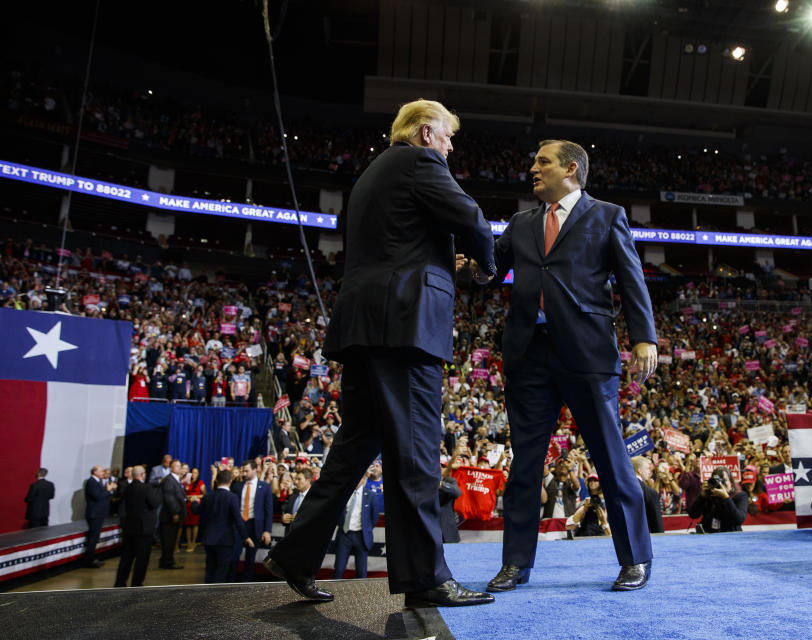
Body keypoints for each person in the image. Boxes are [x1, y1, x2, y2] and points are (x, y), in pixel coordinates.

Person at [264, 99, 496, 608]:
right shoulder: (419, 161)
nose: (452, 147)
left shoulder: (374, 173)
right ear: (426, 131)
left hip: (367, 327)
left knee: (351, 452)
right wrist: (485, 266)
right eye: (449, 137)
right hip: (403, 331)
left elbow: (397, 251)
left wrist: (448, 267)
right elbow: (474, 219)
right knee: (414, 455)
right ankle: (425, 578)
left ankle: (295, 555)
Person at [483, 139, 658, 593]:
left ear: (571, 169)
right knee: (525, 465)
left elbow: (631, 278)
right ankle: (515, 564)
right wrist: (462, 255)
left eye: (543, 161)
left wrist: (644, 338)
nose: (532, 167)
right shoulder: (520, 224)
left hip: (588, 354)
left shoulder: (607, 215)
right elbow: (487, 270)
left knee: (611, 459)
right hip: (529, 355)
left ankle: (636, 558)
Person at [193, 470, 254, 583]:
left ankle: (207, 596)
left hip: (209, 539)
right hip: (225, 541)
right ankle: (216, 598)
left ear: (217, 481)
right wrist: (246, 537)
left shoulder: (208, 496)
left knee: (210, 570)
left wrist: (194, 502)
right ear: (230, 481)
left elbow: (196, 511)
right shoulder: (232, 497)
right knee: (221, 572)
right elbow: (238, 520)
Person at [114, 466, 161, 587]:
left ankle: (120, 582)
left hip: (129, 528)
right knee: (142, 559)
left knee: (126, 558)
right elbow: (154, 503)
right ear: (142, 475)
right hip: (143, 529)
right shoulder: (146, 488)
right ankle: (137, 583)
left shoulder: (128, 488)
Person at [233, 460, 273, 582]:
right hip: (239, 525)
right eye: (243, 471)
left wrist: (267, 530)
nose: (244, 473)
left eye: (247, 470)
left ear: (256, 470)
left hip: (254, 525)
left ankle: (246, 584)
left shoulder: (264, 487)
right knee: (234, 556)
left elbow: (268, 510)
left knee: (250, 559)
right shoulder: (237, 486)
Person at [333, 475, 379, 579]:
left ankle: (360, 594)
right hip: (344, 535)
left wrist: (367, 529)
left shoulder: (371, 495)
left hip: (361, 536)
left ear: (363, 480)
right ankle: (334, 592)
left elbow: (374, 517)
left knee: (361, 571)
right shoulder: (344, 494)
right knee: (339, 568)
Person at [687, 466, 748, 533]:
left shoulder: (740, 496)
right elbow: (693, 515)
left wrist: (726, 498)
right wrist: (701, 496)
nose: (721, 484)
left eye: (724, 480)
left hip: (731, 536)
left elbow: (739, 519)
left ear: (731, 482)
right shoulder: (709, 495)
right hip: (709, 537)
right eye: (717, 481)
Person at [82, 465, 116, 568]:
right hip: (94, 514)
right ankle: (89, 560)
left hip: (99, 513)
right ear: (94, 472)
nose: (103, 472)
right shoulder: (91, 482)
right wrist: (108, 490)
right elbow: (98, 496)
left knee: (95, 537)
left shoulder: (98, 482)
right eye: (101, 471)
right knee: (93, 537)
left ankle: (91, 557)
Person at [159, 459, 186, 569]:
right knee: (168, 541)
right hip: (169, 516)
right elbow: (169, 498)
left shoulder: (176, 479)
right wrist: (175, 513)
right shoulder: (169, 480)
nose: (179, 468)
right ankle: (167, 562)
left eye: (180, 466)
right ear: (171, 468)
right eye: (176, 466)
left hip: (174, 515)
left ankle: (167, 560)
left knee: (171, 539)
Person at [632, 457, 664, 534]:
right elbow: (657, 522)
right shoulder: (650, 493)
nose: (649, 472)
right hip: (645, 536)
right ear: (640, 471)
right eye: (647, 469)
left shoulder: (621, 487)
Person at [281, 470, 312, 535]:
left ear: (308, 480)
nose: (295, 482)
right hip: (289, 537)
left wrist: (301, 518)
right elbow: (285, 512)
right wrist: (283, 518)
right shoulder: (292, 496)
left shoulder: (314, 498)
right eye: (295, 479)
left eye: (299, 479)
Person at [182, 467, 206, 551]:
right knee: (188, 525)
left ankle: (193, 542)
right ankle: (188, 543)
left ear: (198, 474)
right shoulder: (187, 482)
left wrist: (196, 496)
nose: (194, 474)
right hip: (188, 504)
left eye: (196, 472)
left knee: (195, 525)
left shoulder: (200, 483)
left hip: (196, 505)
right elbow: (183, 493)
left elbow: (204, 495)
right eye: (192, 472)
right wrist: (188, 497)